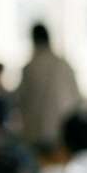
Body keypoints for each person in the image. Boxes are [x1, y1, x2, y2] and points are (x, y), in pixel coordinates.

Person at [15, 22, 80, 151]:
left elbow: (20, 101)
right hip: (63, 132)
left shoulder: (30, 68)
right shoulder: (63, 65)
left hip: (37, 134)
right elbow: (77, 98)